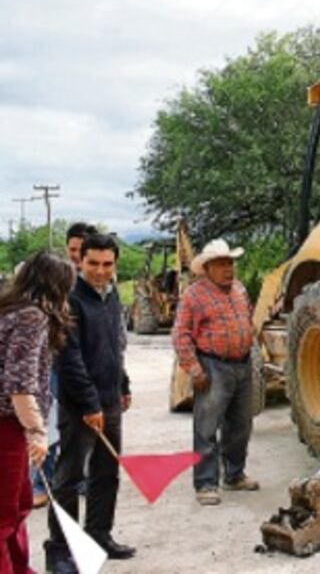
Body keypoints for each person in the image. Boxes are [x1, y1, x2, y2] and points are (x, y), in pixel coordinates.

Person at [47, 233, 134, 572]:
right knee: (68, 479)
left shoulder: (111, 297)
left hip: (110, 400)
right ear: (80, 261)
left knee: (106, 473)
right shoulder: (69, 300)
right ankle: (61, 550)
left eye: (107, 264)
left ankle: (99, 536)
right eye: (93, 263)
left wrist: (122, 384)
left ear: (115, 264)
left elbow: (114, 347)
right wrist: (89, 405)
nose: (100, 271)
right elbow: (69, 360)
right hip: (79, 406)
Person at [0, 252, 75, 574]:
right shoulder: (32, 317)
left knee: (18, 505)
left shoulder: (11, 310)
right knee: (4, 513)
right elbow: (19, 383)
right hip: (8, 426)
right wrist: (36, 431)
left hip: (10, 424)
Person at [172, 239, 259, 507]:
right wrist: (194, 370)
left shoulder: (240, 290)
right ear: (207, 268)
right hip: (212, 365)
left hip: (242, 363)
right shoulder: (194, 295)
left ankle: (234, 475)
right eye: (221, 263)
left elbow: (249, 320)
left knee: (241, 424)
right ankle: (206, 483)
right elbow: (181, 334)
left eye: (230, 262)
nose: (228, 268)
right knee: (207, 427)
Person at [30, 224, 99, 511]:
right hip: (56, 366)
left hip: (87, 367)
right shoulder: (54, 285)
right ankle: (41, 482)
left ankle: (77, 476)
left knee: (84, 426)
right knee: (52, 422)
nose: (74, 256)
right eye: (71, 250)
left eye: (79, 251)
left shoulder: (96, 287)